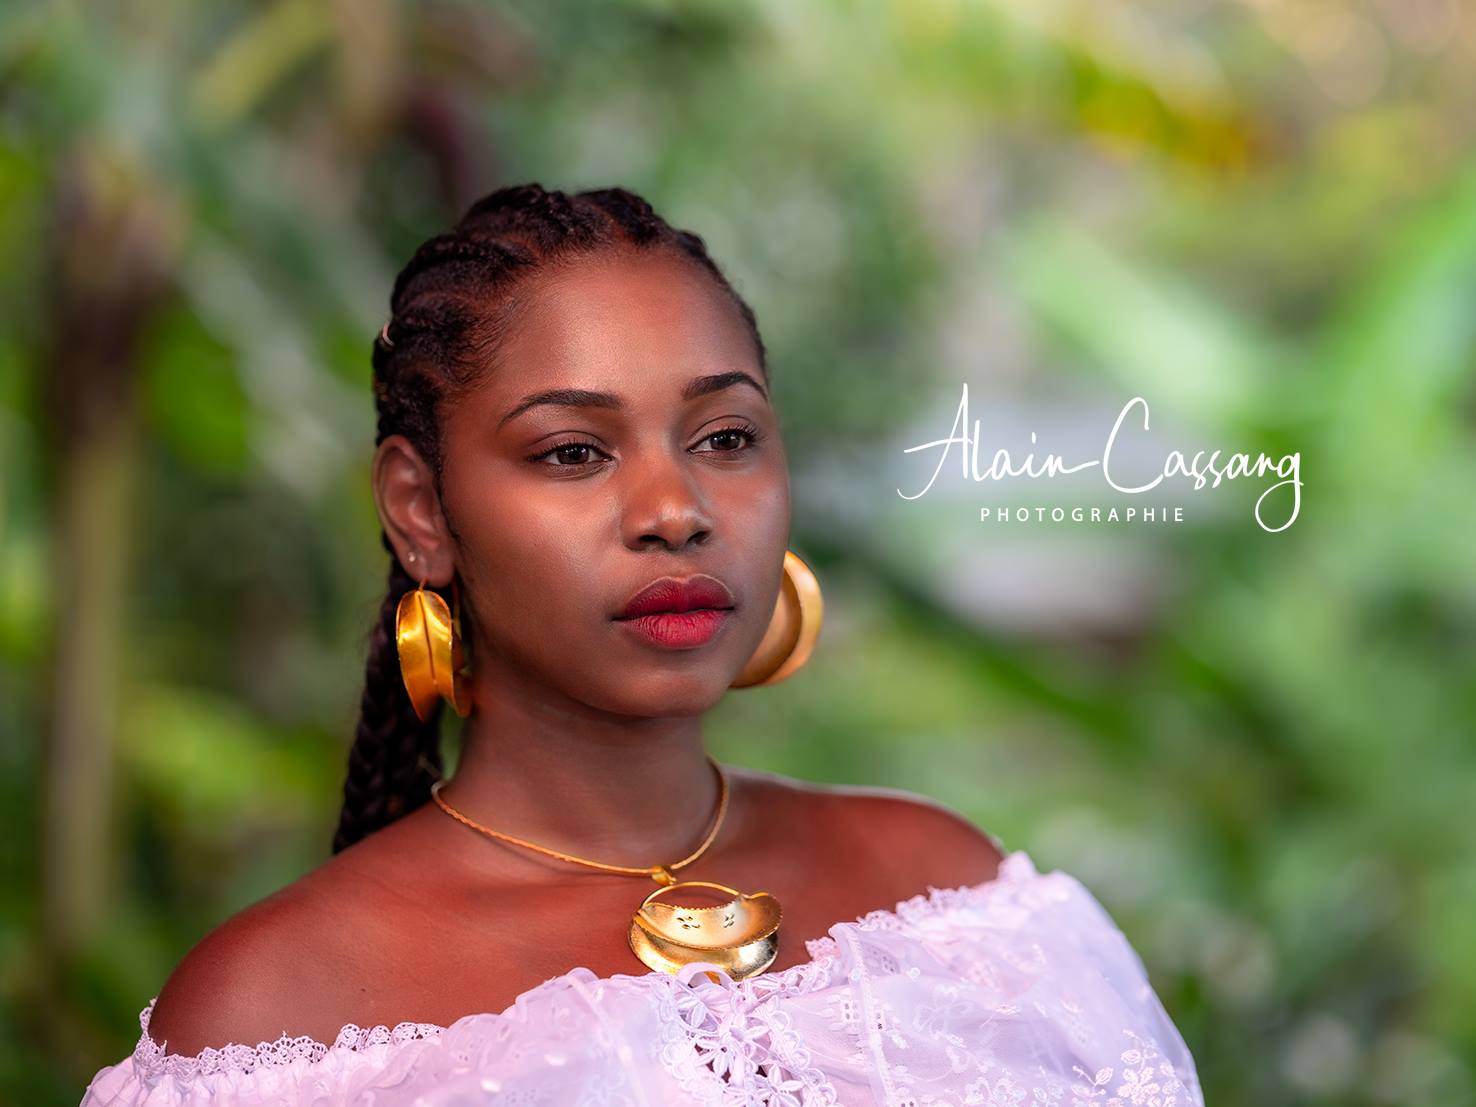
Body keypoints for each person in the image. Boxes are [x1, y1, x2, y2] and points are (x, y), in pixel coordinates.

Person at [78, 182, 1204, 1106]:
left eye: (725, 436)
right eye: (573, 451)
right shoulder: (270, 1023)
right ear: (421, 508)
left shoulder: (967, 910)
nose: (676, 509)